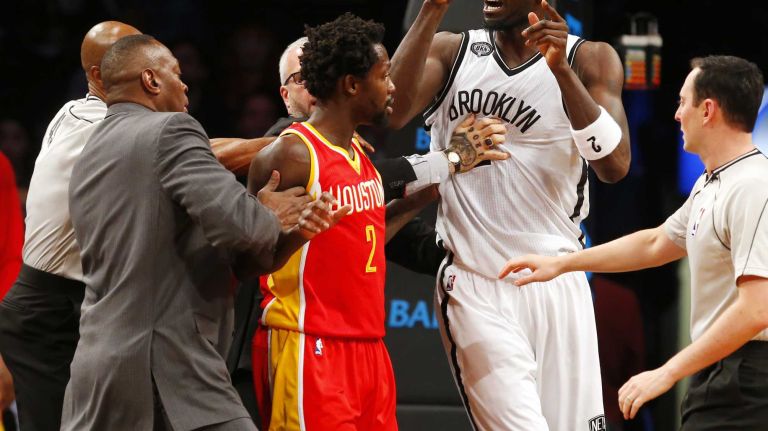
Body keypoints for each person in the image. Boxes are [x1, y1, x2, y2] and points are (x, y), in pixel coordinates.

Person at [61, 34, 338, 431]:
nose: (186, 84)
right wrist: (267, 210)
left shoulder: (91, 150)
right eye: (175, 73)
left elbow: (171, 241)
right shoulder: (172, 131)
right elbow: (246, 227)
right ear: (151, 82)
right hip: (165, 364)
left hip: (98, 365)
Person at [248, 14, 506, 431]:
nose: (393, 88)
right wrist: (291, 231)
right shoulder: (291, 154)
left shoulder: (360, 159)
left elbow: (366, 237)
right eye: (384, 76)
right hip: (310, 340)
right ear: (352, 84)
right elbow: (248, 257)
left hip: (369, 345)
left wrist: (431, 190)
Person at [387, 0, 632, 429]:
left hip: (560, 278)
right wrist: (430, 9)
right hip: (478, 280)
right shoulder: (452, 50)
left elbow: (614, 166)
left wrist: (560, 73)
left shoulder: (589, 58)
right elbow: (391, 112)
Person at [500, 55, 768, 430]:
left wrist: (666, 372)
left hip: (750, 376)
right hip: (721, 373)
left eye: (682, 102)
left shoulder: (754, 185)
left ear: (707, 110)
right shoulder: (712, 182)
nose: (676, 115)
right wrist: (563, 262)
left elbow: (757, 309)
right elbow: (656, 243)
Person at [0, 22, 142, 431]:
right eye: (133, 58)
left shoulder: (71, 111)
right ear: (98, 76)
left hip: (72, 303)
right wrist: (294, 139)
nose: (150, 71)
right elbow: (197, 155)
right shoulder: (102, 126)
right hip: (46, 309)